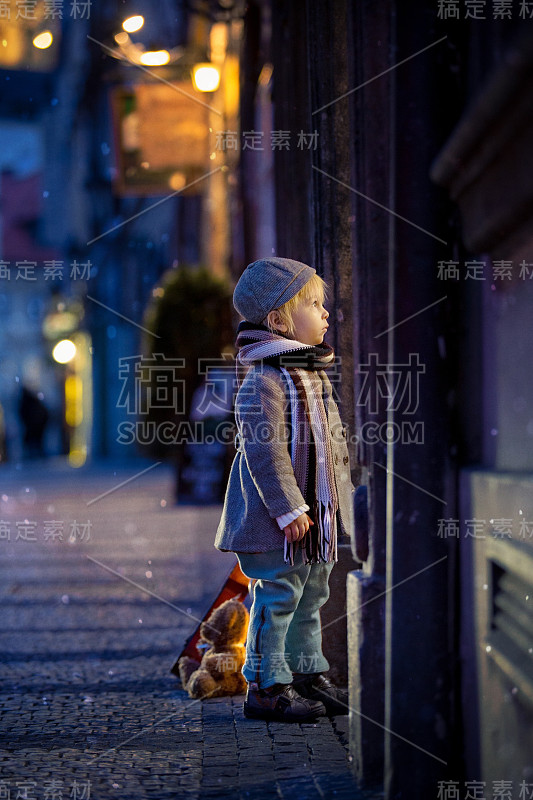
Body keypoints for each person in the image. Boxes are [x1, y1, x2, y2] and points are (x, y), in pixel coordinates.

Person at [215, 257, 355, 723]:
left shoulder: (311, 374)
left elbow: (333, 445)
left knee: (312, 593)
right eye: (314, 304)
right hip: (277, 517)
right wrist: (289, 507)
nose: (326, 314)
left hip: (317, 517)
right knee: (278, 596)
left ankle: (304, 672)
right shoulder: (265, 381)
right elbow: (265, 454)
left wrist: (341, 499)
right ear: (278, 321)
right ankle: (266, 685)